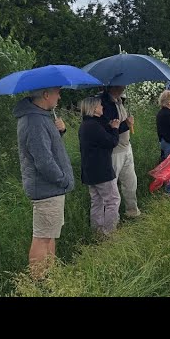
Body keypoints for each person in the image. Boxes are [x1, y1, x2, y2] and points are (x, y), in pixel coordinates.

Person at [13, 87, 75, 278]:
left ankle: (50, 277)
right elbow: (43, 161)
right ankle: (38, 283)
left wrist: (60, 131)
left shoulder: (41, 117)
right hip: (46, 188)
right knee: (42, 237)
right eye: (57, 92)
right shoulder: (34, 121)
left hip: (51, 189)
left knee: (49, 234)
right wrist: (62, 179)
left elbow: (47, 147)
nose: (59, 96)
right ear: (46, 95)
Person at [78, 96, 121, 236]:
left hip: (89, 170)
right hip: (101, 169)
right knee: (113, 200)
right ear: (94, 108)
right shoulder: (94, 126)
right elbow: (111, 142)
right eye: (100, 105)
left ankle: (97, 232)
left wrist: (110, 127)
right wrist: (115, 129)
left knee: (97, 201)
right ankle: (109, 233)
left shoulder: (85, 125)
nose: (102, 107)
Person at [100, 85, 140, 217]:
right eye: (121, 85)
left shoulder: (120, 101)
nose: (124, 87)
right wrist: (125, 125)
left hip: (126, 146)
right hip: (114, 150)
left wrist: (128, 123)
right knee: (111, 186)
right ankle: (111, 218)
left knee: (131, 182)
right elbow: (108, 130)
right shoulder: (104, 104)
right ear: (112, 86)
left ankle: (132, 211)